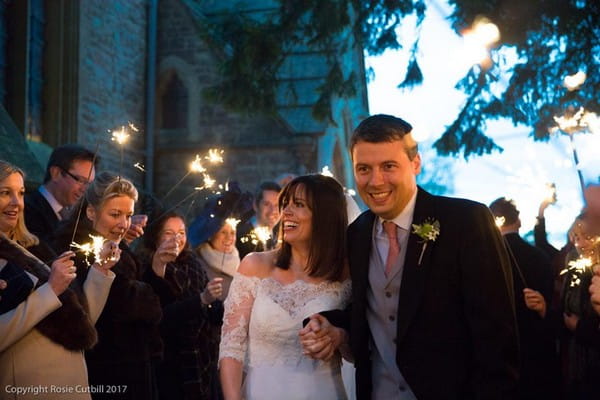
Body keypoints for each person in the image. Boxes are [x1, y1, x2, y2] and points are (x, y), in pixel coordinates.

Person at [302, 114, 519, 399]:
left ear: (415, 164)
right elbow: (370, 310)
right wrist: (333, 325)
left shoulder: (466, 221)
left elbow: (497, 337)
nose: (375, 181)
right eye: (364, 168)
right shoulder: (357, 232)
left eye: (388, 166)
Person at [219, 174, 352, 400]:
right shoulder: (254, 266)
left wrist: (337, 336)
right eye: (286, 203)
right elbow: (232, 346)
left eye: (298, 205)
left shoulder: (348, 274)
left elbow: (360, 349)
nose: (286, 212)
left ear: (325, 216)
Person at [0, 160, 117, 400]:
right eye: (4, 193)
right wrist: (50, 290)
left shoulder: (35, 248)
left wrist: (100, 270)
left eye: (21, 193)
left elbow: (80, 322)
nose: (16, 202)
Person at [52, 172, 162, 400]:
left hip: (134, 365)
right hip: (106, 369)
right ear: (91, 212)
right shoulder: (78, 250)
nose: (124, 225)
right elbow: (124, 304)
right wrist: (148, 294)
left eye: (129, 215)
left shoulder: (116, 246)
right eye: (115, 214)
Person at [137, 211, 224, 400]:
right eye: (169, 233)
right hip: (172, 364)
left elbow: (210, 312)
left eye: (181, 232)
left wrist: (216, 304)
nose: (177, 239)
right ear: (156, 236)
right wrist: (202, 300)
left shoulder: (193, 264)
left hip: (202, 359)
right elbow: (162, 317)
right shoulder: (147, 266)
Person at [489, 197, 561, 399]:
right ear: (519, 221)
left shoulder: (484, 259)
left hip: (500, 351)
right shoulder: (539, 257)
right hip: (538, 350)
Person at [559, 213, 600, 399]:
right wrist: (543, 308)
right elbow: (565, 310)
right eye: (576, 237)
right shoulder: (573, 264)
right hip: (575, 363)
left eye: (588, 237)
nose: (581, 244)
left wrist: (581, 327)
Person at [189, 182, 252, 299]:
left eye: (232, 232)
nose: (229, 238)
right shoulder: (197, 266)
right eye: (223, 232)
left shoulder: (243, 264)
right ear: (210, 234)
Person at [24, 144, 98, 242]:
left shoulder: (75, 216)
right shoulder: (28, 210)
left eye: (89, 183)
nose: (84, 189)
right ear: (56, 173)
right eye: (80, 180)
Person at [235, 181, 281, 259]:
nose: (273, 210)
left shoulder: (282, 235)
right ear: (255, 205)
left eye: (277, 205)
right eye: (267, 204)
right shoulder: (240, 237)